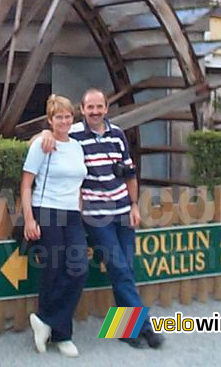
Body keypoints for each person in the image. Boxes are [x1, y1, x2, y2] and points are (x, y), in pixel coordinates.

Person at [39, 88, 163, 349]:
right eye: (89, 107)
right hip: (96, 217)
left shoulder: (117, 135)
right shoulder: (73, 135)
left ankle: (125, 330)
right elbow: (49, 136)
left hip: (122, 211)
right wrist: (45, 133)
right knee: (118, 267)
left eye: (99, 107)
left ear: (106, 108)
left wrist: (134, 205)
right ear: (82, 110)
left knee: (125, 269)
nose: (95, 111)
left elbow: (129, 173)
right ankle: (146, 328)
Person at [22, 94, 88, 358]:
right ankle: (63, 335)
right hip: (47, 210)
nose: (64, 120)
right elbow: (26, 184)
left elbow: (80, 183)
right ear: (50, 120)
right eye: (58, 116)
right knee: (53, 270)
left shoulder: (76, 146)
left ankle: (45, 320)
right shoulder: (42, 144)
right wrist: (29, 218)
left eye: (68, 116)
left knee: (79, 268)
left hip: (71, 213)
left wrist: (80, 210)